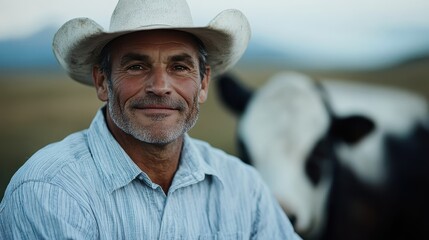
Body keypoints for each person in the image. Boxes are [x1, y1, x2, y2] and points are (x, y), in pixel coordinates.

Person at [0, 0, 300, 239]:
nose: (159, 86)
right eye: (136, 66)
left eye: (180, 66)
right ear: (103, 82)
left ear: (204, 83)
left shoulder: (243, 187)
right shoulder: (52, 190)